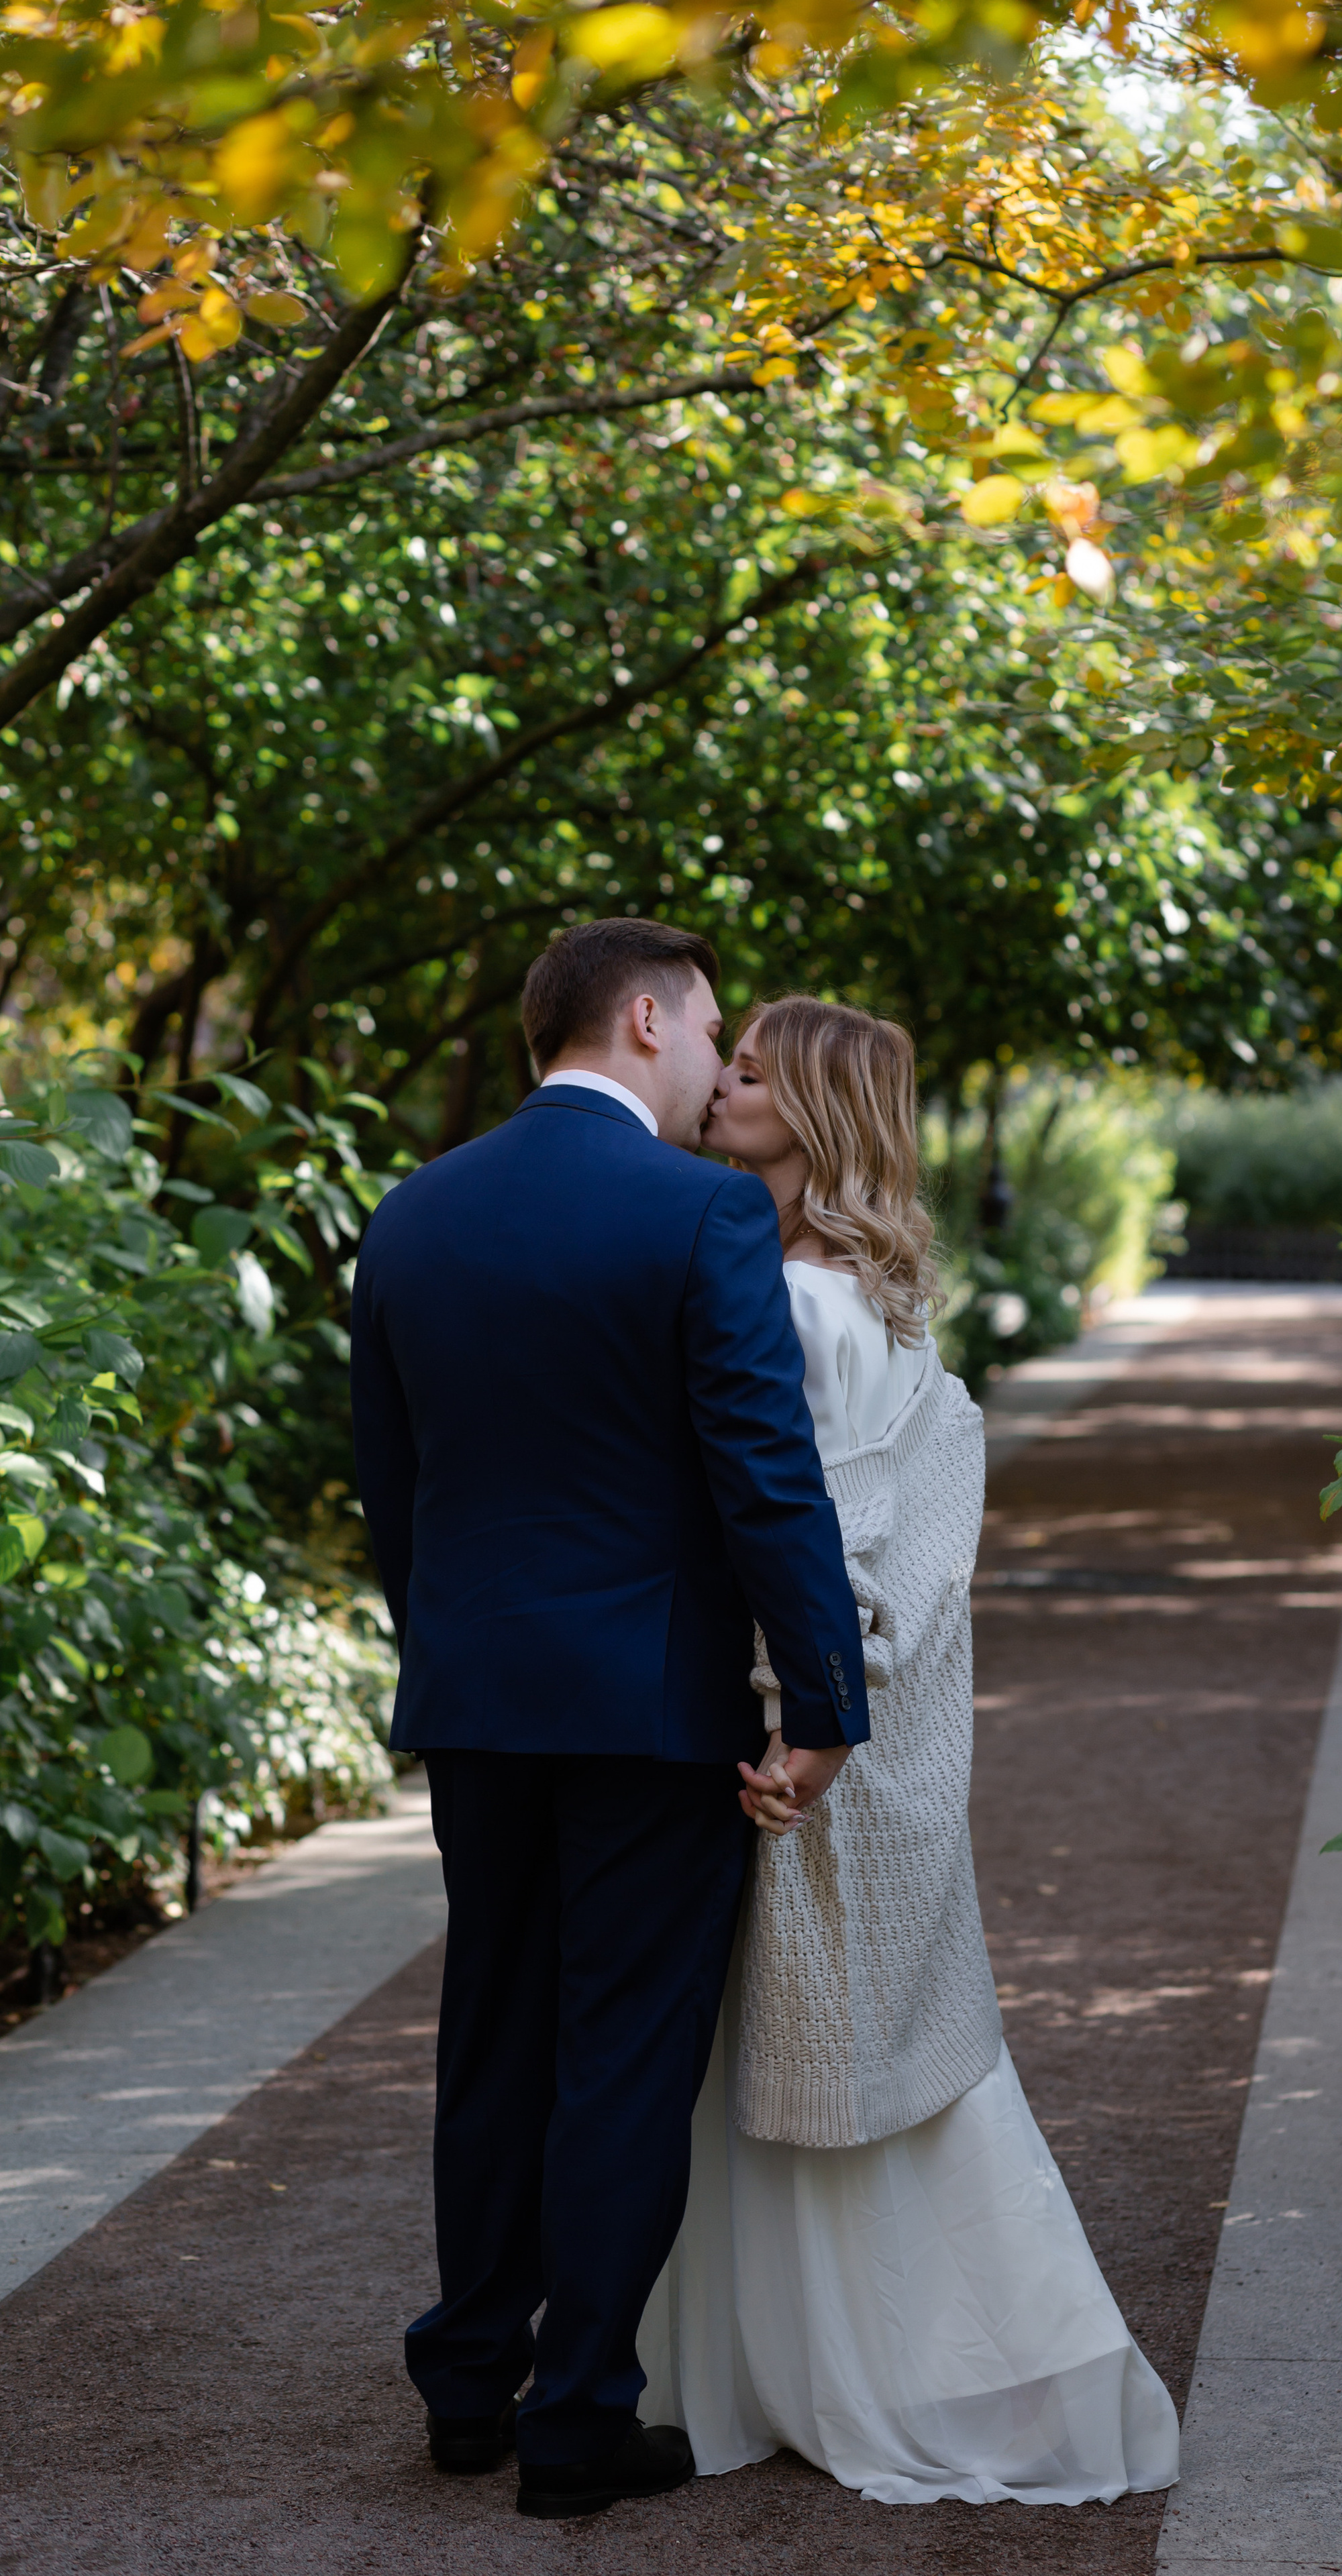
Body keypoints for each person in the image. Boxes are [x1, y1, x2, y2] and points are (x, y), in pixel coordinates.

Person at [349, 922, 870, 2521]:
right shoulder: (701, 1210)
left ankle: (462, 2384)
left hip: (479, 1697)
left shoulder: (412, 1213)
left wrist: (445, 1654)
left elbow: (394, 1490)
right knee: (623, 2059)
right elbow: (761, 1477)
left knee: (492, 2031)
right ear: (642, 1019)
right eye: (713, 1033)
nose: (723, 1068)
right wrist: (825, 1698)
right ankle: (576, 2419)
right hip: (650, 1707)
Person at [636, 996, 1181, 2508]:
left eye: (748, 1071)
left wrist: (792, 1717)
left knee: (770, 2052)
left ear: (810, 1111)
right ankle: (897, 2355)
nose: (722, 1082)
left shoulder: (794, 1304)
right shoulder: (882, 1299)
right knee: (874, 2052)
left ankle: (784, 2370)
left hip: (796, 1723)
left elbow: (808, 1535)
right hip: (872, 1729)